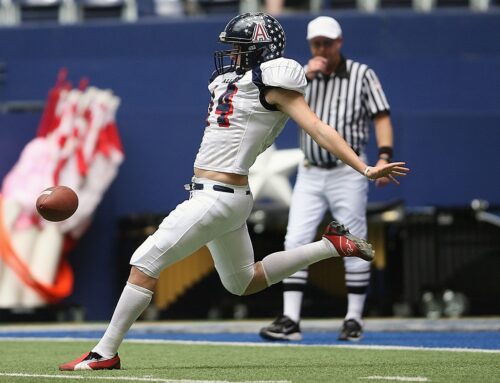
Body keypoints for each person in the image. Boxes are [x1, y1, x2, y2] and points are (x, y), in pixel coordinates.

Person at [59, 12, 408, 371]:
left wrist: (365, 167)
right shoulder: (230, 80)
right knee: (245, 282)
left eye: (241, 48)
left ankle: (105, 352)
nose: (233, 54)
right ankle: (329, 245)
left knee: (145, 261)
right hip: (221, 197)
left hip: (218, 196)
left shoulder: (274, 82)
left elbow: (318, 128)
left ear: (262, 50)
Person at [259, 16, 395, 342]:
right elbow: (274, 101)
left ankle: (354, 318)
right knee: (296, 239)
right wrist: (305, 75)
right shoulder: (302, 77)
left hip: (346, 172)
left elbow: (381, 116)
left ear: (339, 42)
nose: (322, 48)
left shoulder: (362, 74)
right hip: (310, 170)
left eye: (327, 43)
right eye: (316, 43)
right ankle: (290, 318)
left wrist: (384, 155)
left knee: (354, 239)